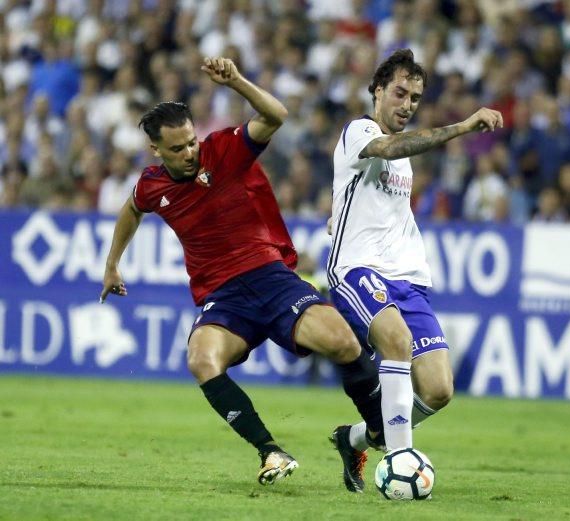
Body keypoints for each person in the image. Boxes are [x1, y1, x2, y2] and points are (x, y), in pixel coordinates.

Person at [99, 57, 383, 487]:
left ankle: (373, 433)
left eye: (191, 142)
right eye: (177, 149)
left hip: (271, 276)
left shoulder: (225, 148)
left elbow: (276, 115)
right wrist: (111, 264)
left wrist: (237, 83)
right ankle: (271, 451)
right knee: (201, 358)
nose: (189, 152)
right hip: (223, 297)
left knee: (343, 342)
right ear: (155, 150)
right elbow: (131, 210)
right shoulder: (152, 185)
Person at [326, 49, 503, 493]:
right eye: (400, 93)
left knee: (440, 389)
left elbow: (377, 206)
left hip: (409, 279)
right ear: (378, 90)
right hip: (357, 270)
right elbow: (387, 147)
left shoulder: (403, 160)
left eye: (415, 98)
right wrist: (461, 127)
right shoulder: (359, 131)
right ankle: (399, 462)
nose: (407, 104)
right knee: (397, 342)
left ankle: (355, 439)